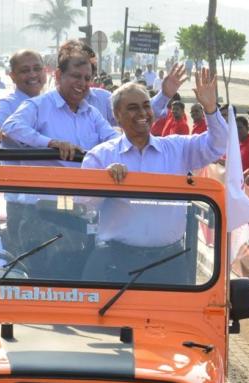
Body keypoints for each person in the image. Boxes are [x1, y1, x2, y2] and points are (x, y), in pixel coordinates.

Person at [80, 69, 227, 281]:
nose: (142, 113)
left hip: (169, 263)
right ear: (117, 115)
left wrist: (211, 109)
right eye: (132, 108)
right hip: (115, 263)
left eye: (146, 106)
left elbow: (218, 145)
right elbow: (84, 206)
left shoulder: (177, 148)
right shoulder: (100, 156)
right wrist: (105, 182)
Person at [1, 50, 118, 165]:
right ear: (58, 75)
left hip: (86, 182)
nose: (82, 83)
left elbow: (114, 140)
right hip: (47, 183)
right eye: (76, 76)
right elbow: (10, 127)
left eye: (87, 78)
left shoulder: (92, 114)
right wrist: (51, 143)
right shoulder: (38, 106)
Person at [0, 50, 46, 146]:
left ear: (44, 71)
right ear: (13, 76)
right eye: (25, 71)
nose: (33, 75)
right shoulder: (9, 104)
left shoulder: (53, 102)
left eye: (37, 69)